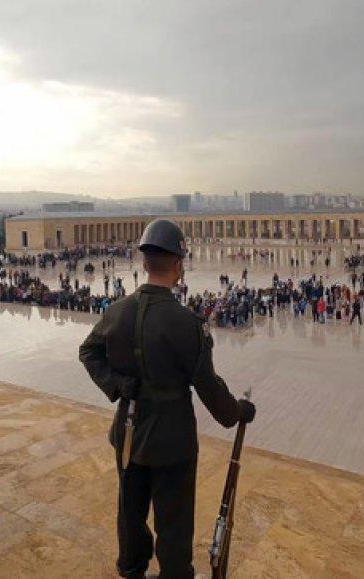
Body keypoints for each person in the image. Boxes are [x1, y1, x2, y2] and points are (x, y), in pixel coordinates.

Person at [79, 219, 254, 579]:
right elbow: (211, 391)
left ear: (144, 263)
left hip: (128, 433)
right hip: (171, 439)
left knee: (130, 512)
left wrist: (115, 384)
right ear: (179, 265)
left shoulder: (116, 311)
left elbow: (88, 353)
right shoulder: (187, 324)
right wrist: (239, 411)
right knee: (173, 522)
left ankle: (131, 569)